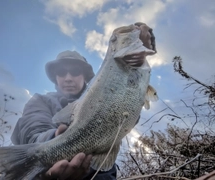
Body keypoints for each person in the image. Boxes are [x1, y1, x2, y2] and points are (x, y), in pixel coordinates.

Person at [11, 23, 156, 180]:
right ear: (55, 77)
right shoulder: (41, 101)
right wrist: (55, 139)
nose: (68, 77)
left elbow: (127, 117)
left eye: (75, 71)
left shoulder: (108, 88)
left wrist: (143, 43)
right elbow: (31, 131)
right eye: (61, 72)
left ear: (85, 76)